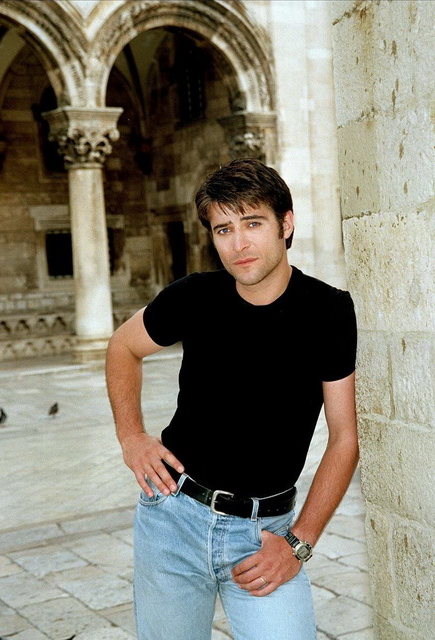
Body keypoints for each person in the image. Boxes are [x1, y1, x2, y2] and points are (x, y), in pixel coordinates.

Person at [106, 158, 358, 640]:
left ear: (286, 224)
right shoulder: (194, 296)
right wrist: (131, 436)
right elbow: (123, 347)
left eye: (253, 223)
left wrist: (298, 543)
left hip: (265, 536)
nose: (238, 243)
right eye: (224, 229)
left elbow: (345, 437)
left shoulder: (328, 311)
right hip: (173, 521)